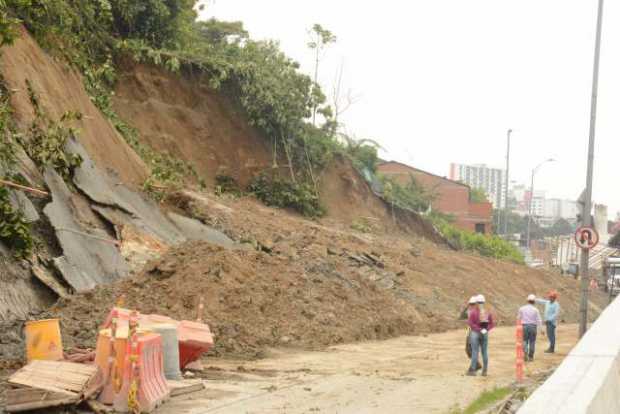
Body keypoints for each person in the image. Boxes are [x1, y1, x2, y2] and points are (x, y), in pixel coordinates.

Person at [466, 294, 495, 377]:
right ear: (484, 302)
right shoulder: (487, 313)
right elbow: (491, 324)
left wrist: (479, 329)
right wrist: (486, 329)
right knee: (484, 352)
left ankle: (472, 371)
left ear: (476, 302)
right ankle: (484, 371)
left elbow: (470, 323)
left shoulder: (473, 312)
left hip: (475, 333)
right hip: (484, 334)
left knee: (475, 352)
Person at [518, 294, 542, 362]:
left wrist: (518, 327)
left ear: (527, 300)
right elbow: (539, 320)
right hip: (533, 327)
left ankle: (525, 353)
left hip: (524, 326)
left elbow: (518, 318)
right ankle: (531, 357)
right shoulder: (536, 310)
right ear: (534, 301)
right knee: (532, 342)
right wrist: (541, 329)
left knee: (524, 340)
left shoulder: (522, 308)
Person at [459, 296, 481, 371]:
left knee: (473, 350)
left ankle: (473, 367)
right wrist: (466, 308)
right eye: (470, 304)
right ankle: (476, 364)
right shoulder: (469, 311)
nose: (471, 305)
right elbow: (461, 317)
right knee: (468, 350)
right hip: (470, 332)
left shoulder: (479, 311)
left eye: (473, 304)